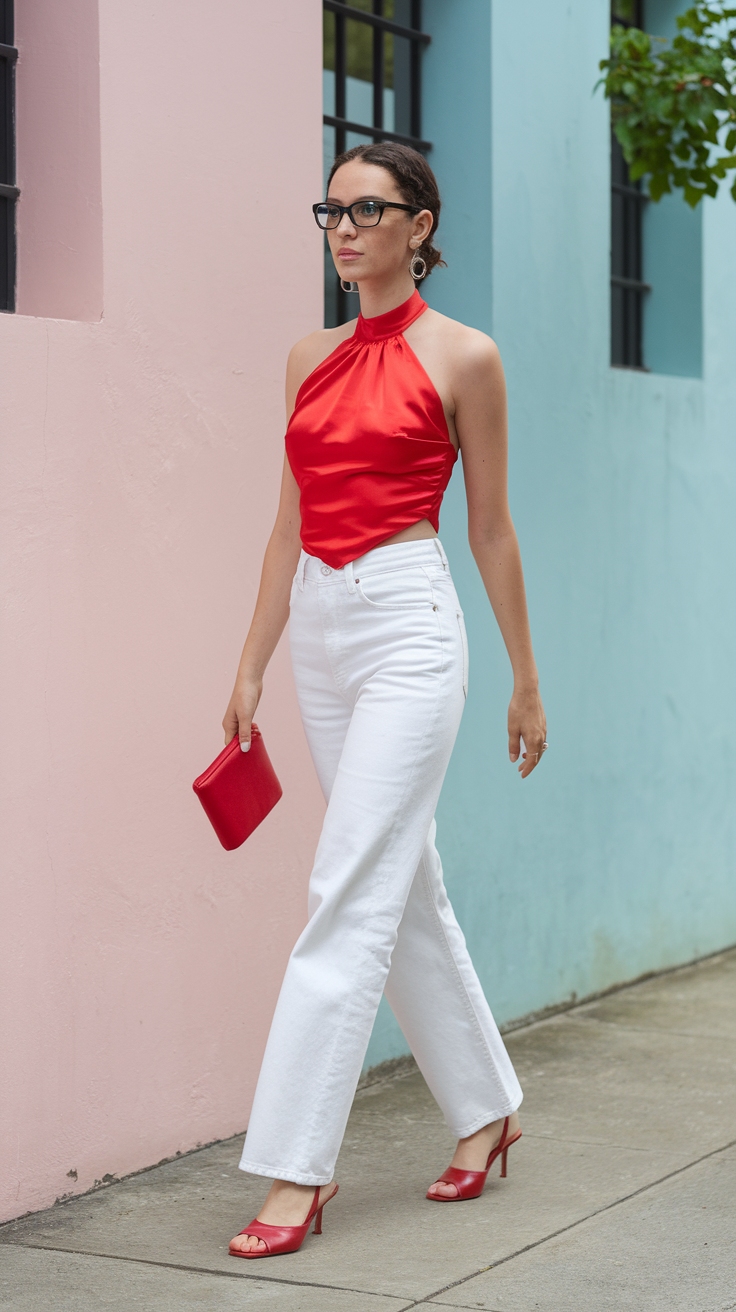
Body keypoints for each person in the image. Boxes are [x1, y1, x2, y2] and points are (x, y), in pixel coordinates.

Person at [224, 142, 547, 1259]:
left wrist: (524, 676)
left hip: (412, 623)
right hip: (319, 628)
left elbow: (491, 527)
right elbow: (286, 526)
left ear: (420, 225)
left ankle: (292, 1166)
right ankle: (488, 1109)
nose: (345, 227)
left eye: (369, 209)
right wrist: (252, 661)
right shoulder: (305, 358)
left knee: (345, 883)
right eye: (332, 208)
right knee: (400, 884)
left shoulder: (466, 357)